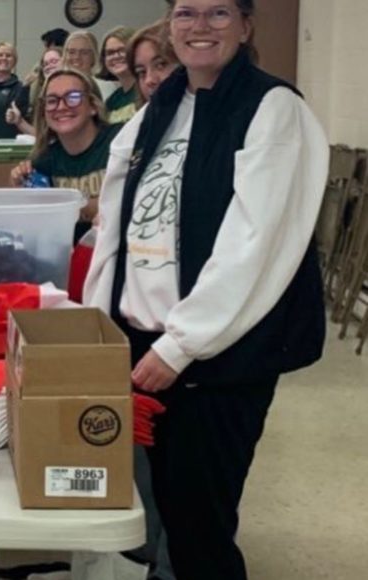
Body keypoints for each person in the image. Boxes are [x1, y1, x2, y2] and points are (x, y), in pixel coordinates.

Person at [83, 1, 329, 579]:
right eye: (186, 13)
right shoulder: (163, 105)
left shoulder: (271, 108)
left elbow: (257, 244)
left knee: (200, 526)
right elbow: (117, 220)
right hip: (144, 341)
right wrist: (98, 324)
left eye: (219, 13)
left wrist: (182, 344)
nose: (199, 27)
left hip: (214, 359)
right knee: (162, 512)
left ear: (246, 26)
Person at [9, 68, 120, 242]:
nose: (61, 106)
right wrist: (22, 194)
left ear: (93, 106)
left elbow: (129, 202)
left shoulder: (119, 142)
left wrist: (62, 208)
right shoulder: (42, 160)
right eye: (52, 101)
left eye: (73, 97)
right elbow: (38, 226)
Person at [7, 47, 62, 136]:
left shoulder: (75, 90)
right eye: (45, 64)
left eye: (54, 61)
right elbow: (44, 136)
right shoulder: (42, 96)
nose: (49, 66)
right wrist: (19, 121)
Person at [97, 26, 138, 122]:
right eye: (110, 53)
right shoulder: (112, 100)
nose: (116, 56)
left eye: (122, 50)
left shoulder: (147, 90)